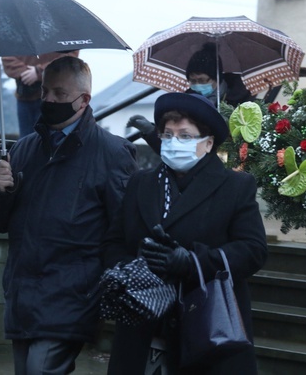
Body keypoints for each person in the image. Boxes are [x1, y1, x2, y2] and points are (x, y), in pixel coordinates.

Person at [0, 56, 138, 374]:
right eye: (46, 91)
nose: (48, 100)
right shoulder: (23, 150)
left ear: (83, 100)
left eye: (59, 94)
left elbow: (124, 227)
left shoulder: (112, 153)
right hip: (24, 294)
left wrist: (109, 286)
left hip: (73, 295)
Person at [102, 92, 267, 374]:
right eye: (167, 134)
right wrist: (135, 267)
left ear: (208, 142)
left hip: (206, 328)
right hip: (144, 324)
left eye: (185, 135)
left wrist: (192, 261)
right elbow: (113, 243)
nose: (173, 142)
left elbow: (252, 250)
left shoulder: (235, 186)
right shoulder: (141, 183)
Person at [128, 42, 254, 153]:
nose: (198, 85)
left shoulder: (240, 99)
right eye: (192, 81)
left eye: (203, 80)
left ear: (217, 78)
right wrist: (150, 131)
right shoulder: (186, 103)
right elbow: (173, 147)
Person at [1, 51, 79, 137]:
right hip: (25, 95)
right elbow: (7, 57)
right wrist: (30, 72)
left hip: (55, 98)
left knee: (52, 141)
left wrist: (40, 71)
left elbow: (70, 56)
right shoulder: (16, 38)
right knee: (26, 143)